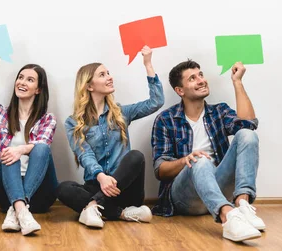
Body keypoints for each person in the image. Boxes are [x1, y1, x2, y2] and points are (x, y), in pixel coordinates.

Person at [151, 59, 264, 242]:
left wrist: (237, 82)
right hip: (186, 198)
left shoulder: (219, 111)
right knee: (200, 160)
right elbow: (160, 171)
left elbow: (249, 124)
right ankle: (228, 217)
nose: (201, 80)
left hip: (218, 188)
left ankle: (242, 204)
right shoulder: (165, 120)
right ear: (180, 90)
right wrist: (185, 160)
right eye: (193, 78)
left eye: (201, 75)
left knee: (247, 135)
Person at [56, 46, 164, 228]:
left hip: (125, 190)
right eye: (102, 74)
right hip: (97, 185)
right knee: (62, 188)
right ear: (89, 86)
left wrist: (148, 64)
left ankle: (93, 207)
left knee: (135, 156)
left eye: (108, 73)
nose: (110, 77)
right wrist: (101, 177)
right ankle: (122, 214)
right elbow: (84, 154)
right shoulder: (73, 122)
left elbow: (156, 102)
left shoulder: (122, 113)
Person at [0, 54, 58, 236]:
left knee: (40, 148)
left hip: (40, 195)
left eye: (30, 80)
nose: (22, 82)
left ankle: (17, 208)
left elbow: (42, 144)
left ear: (38, 89)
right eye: (20, 77)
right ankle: (21, 210)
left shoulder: (47, 119)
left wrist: (21, 149)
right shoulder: (2, 114)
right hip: (5, 193)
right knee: (9, 153)